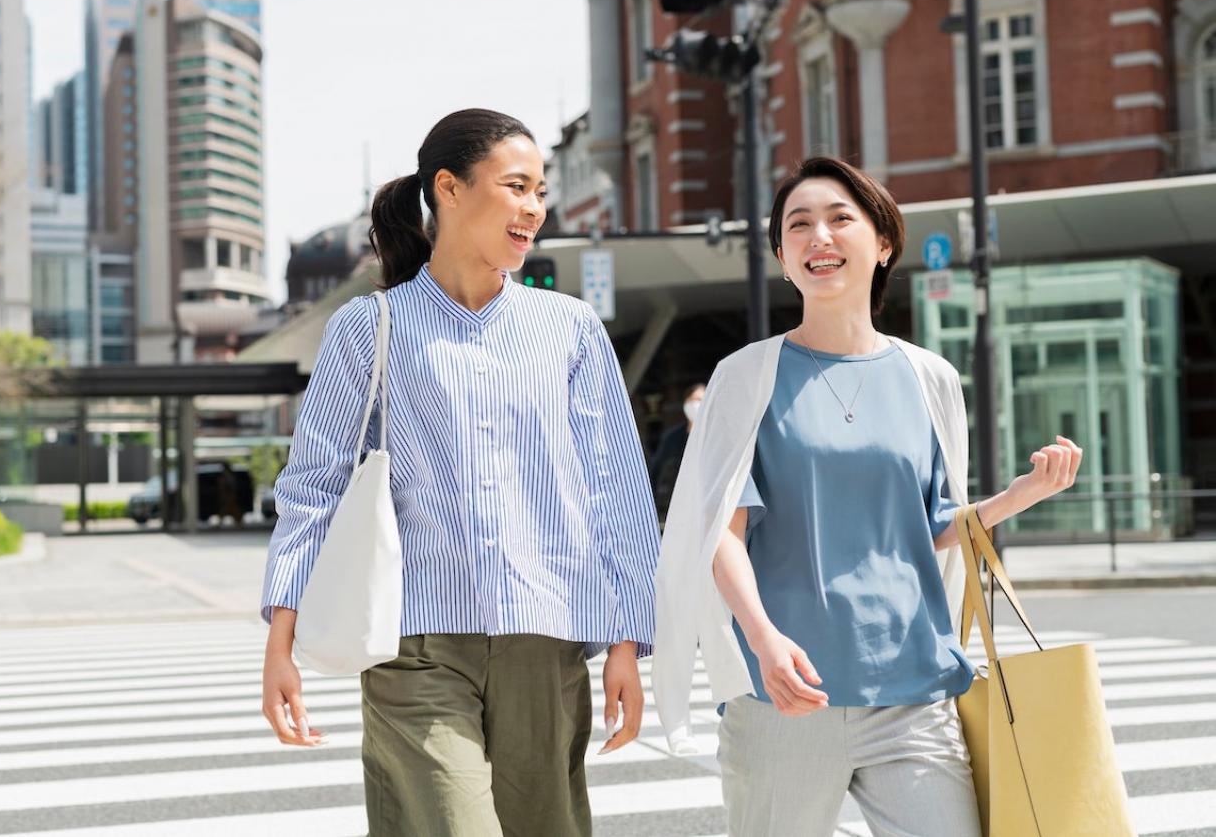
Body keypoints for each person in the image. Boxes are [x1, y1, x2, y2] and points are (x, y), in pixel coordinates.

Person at [653, 156, 1083, 837]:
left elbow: (931, 525)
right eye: (798, 226)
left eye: (838, 219)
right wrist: (764, 645)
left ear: (881, 245)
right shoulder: (747, 377)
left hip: (912, 692)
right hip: (784, 697)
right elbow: (721, 533)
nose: (818, 237)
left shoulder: (928, 377)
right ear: (782, 256)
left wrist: (1020, 495)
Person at [259, 109, 660, 837]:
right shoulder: (369, 326)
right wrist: (279, 638)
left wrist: (629, 638)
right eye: (516, 186)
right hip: (415, 647)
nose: (534, 207)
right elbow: (312, 485)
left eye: (540, 191)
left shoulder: (568, 328)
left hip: (546, 636)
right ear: (448, 187)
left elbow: (616, 491)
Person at [648, 382, 706, 516]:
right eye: (693, 400)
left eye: (701, 400)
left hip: (705, 505)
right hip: (675, 506)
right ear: (685, 404)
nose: (696, 405)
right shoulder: (671, 438)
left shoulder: (715, 436)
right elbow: (656, 471)